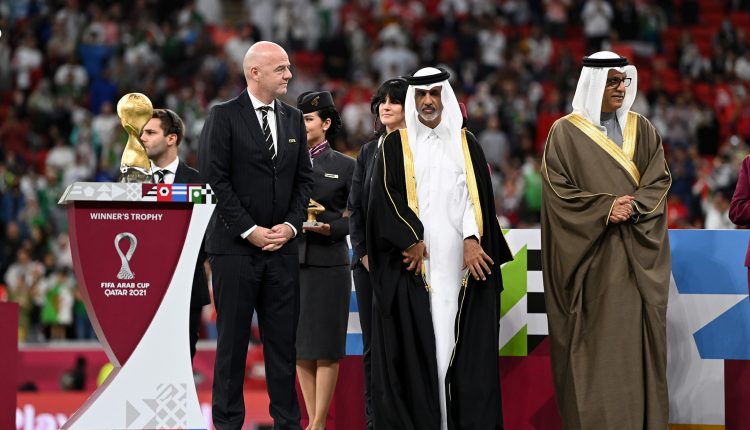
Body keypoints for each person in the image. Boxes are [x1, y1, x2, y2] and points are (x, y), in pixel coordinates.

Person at [366, 67, 513, 430]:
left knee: (454, 340)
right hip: (414, 266)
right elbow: (383, 199)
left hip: (457, 264)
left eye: (434, 93)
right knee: (421, 345)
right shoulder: (395, 145)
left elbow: (477, 200)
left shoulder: (466, 144)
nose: (428, 101)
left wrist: (471, 239)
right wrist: (410, 239)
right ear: (413, 100)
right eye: (421, 94)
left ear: (445, 97)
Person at [540, 51, 672, 429]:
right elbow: (558, 194)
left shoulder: (642, 129)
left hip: (635, 259)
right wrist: (604, 209)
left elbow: (658, 180)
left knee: (634, 348)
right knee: (594, 352)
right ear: (593, 83)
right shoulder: (564, 133)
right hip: (589, 262)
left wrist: (633, 207)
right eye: (612, 81)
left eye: (623, 81)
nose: (620, 88)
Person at [198, 41, 313, 430]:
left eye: (288, 67)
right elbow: (214, 180)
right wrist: (250, 230)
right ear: (254, 73)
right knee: (231, 346)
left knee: (283, 347)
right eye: (281, 68)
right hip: (234, 250)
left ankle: (287, 424)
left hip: (282, 249)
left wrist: (291, 226)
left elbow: (304, 180)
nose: (289, 74)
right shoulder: (223, 116)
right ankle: (228, 425)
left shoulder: (293, 118)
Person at [347, 77, 408, 430]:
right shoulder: (368, 152)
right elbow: (355, 208)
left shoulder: (419, 150)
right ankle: (375, 420)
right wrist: (363, 253)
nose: (386, 106)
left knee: (407, 341)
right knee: (373, 346)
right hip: (370, 266)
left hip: (408, 263)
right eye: (382, 101)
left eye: (394, 101)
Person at [294, 91, 354, 430]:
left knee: (326, 346)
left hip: (329, 263)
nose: (302, 125)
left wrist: (331, 228)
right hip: (291, 263)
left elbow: (359, 217)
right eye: (299, 119)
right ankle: (312, 420)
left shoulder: (346, 166)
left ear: (326, 123)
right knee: (300, 346)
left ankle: (318, 423)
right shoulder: (284, 163)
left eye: (308, 119)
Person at [140, 108, 209, 361]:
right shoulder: (132, 183)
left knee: (181, 362)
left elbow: (208, 234)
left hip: (186, 287)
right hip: (142, 289)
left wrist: (181, 264)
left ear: (171, 138)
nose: (142, 138)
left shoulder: (198, 182)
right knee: (145, 362)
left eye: (150, 132)